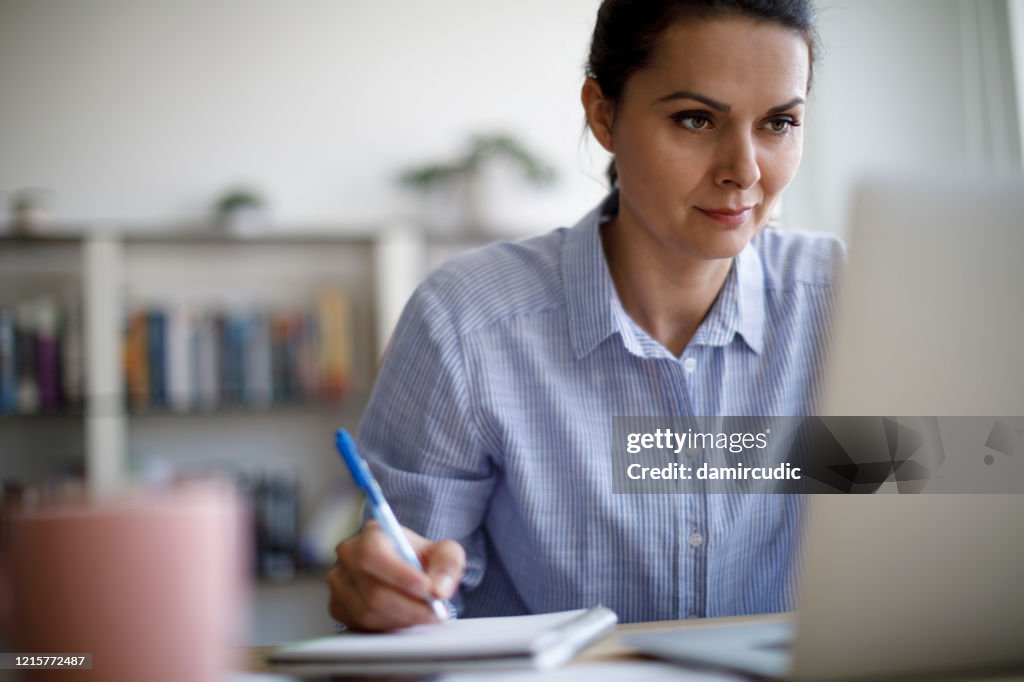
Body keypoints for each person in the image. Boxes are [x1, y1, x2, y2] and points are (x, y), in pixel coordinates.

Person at [329, 0, 844, 632]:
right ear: (603, 115)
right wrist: (388, 595)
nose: (744, 171)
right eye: (695, 119)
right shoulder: (466, 324)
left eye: (778, 123)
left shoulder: (851, 301)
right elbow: (410, 597)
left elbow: (952, 502)